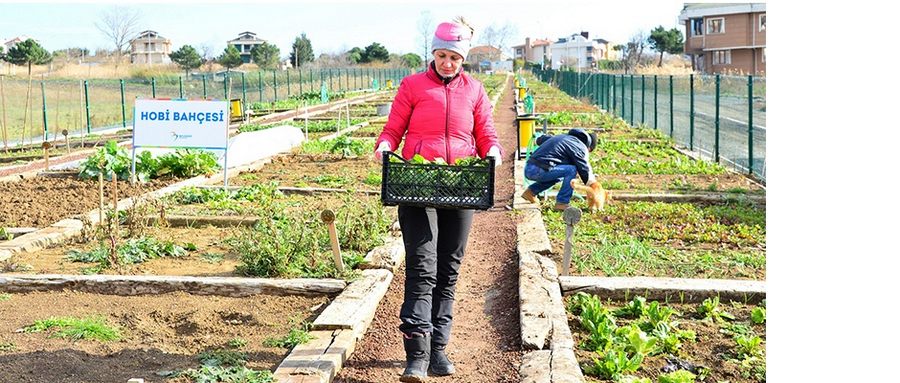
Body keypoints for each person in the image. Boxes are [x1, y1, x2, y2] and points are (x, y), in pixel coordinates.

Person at [373, 17, 503, 382]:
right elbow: (394, 126)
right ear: (433, 53)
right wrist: (385, 145)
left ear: (463, 60)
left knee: (449, 268)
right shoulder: (413, 85)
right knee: (422, 265)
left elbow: (485, 130)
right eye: (443, 55)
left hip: (460, 183)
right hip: (416, 183)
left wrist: (492, 148)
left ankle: (439, 351)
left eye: (455, 58)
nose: (448, 63)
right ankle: (416, 354)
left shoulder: (475, 90)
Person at [521, 128, 599, 211]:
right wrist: (592, 185)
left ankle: (531, 192)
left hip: (529, 168)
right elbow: (583, 167)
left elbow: (543, 139)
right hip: (539, 169)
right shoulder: (579, 146)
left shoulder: (564, 137)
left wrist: (537, 140)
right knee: (572, 170)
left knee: (559, 176)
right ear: (589, 147)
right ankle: (562, 203)